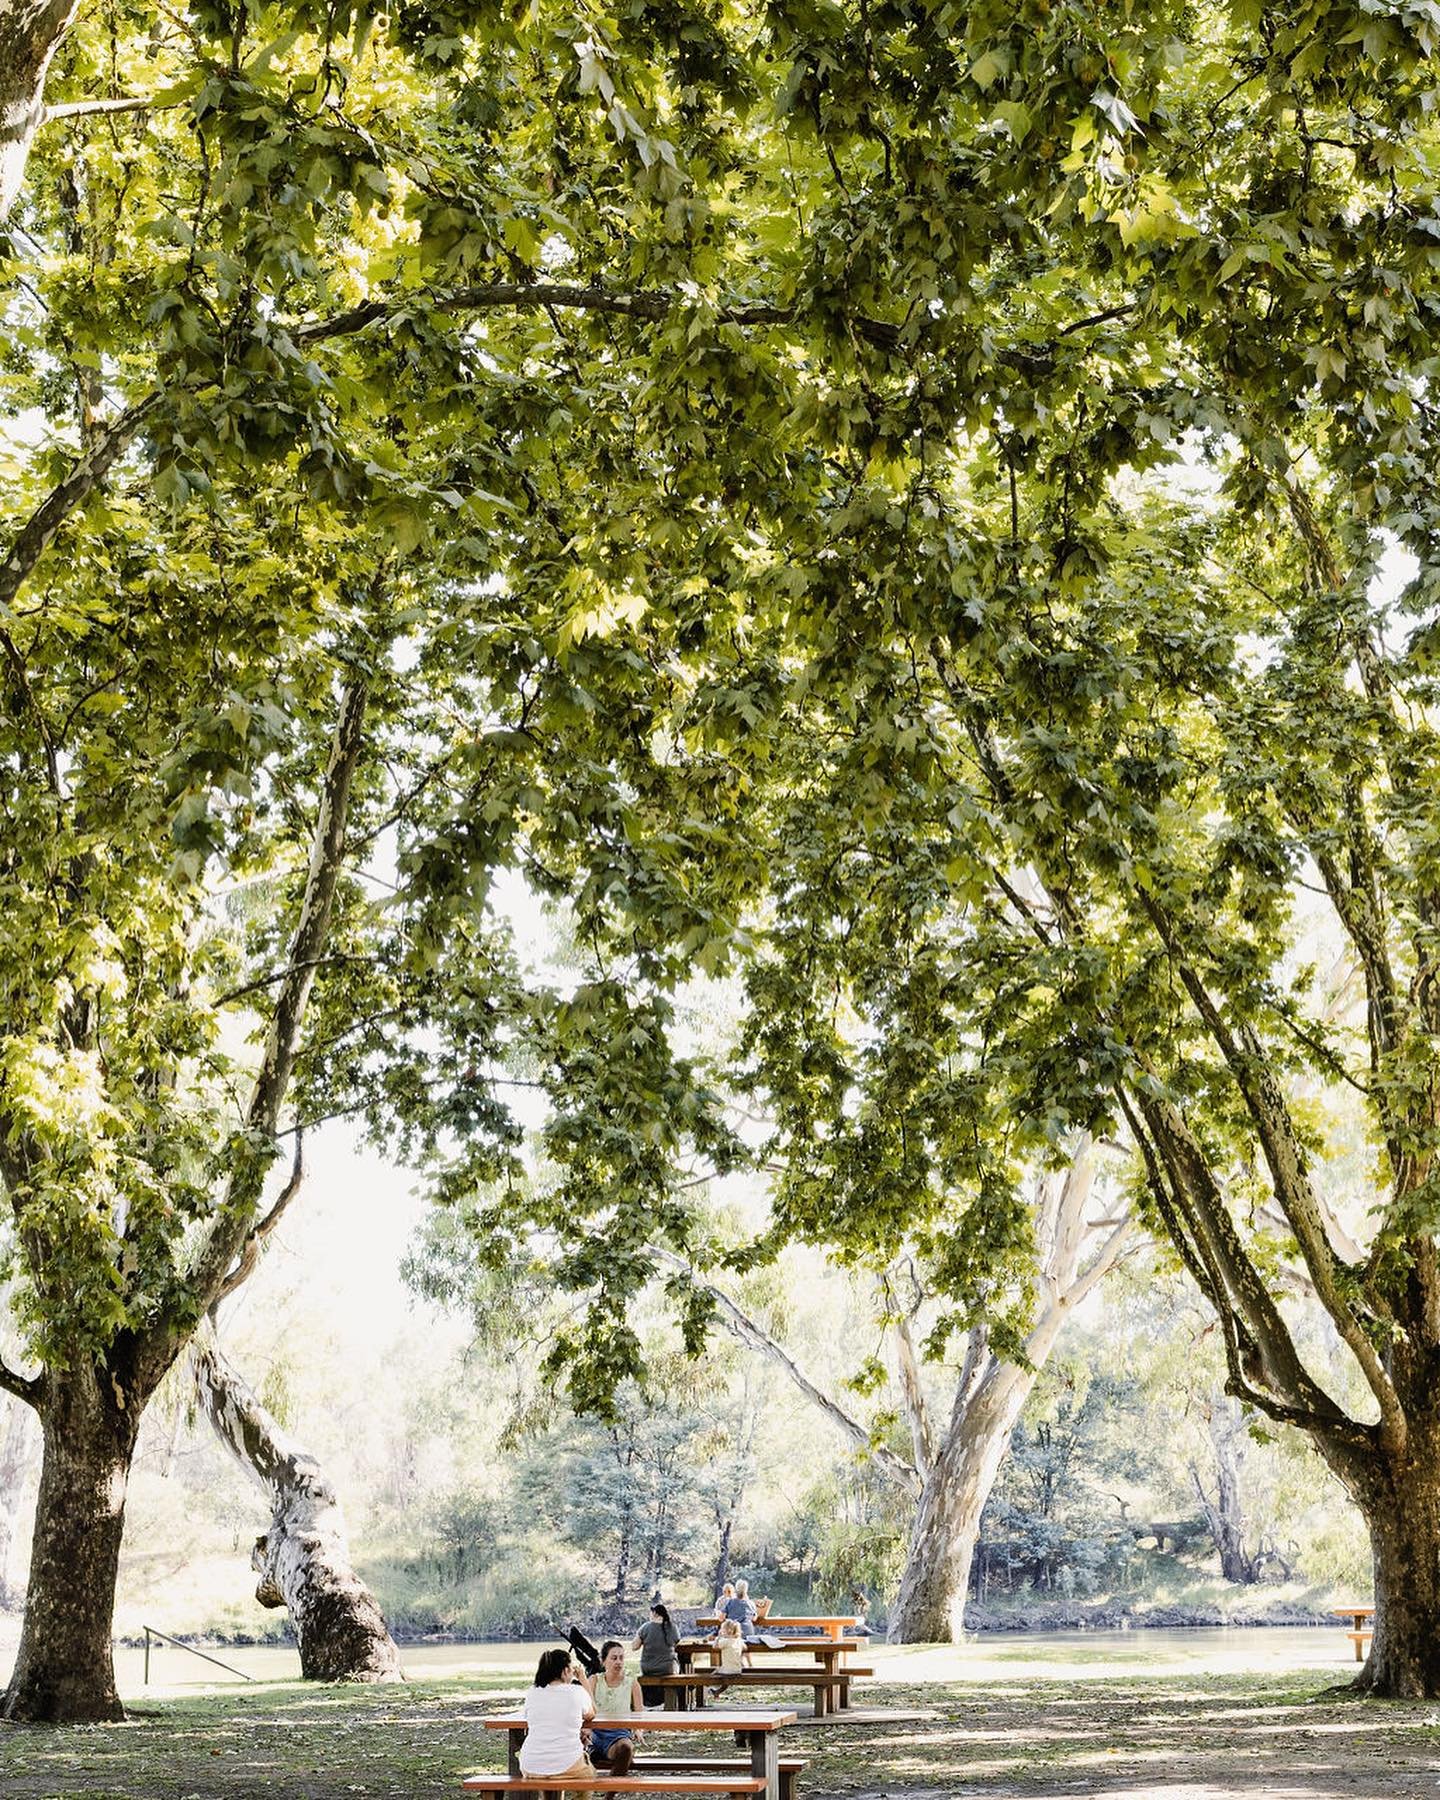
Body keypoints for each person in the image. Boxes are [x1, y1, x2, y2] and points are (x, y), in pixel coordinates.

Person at [520, 1648, 598, 1794]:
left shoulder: (532, 1692)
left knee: (549, 1776)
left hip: (530, 1765)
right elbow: (592, 1713)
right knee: (590, 1775)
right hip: (568, 1764)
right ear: (565, 1671)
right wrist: (583, 1680)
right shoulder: (576, 1692)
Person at [586, 1640, 643, 1771]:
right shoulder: (594, 1680)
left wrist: (638, 1730)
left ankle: (610, 1791)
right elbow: (585, 1709)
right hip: (595, 1733)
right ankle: (592, 1751)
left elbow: (640, 1714)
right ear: (604, 1661)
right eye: (614, 1658)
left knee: (626, 1748)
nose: (618, 1662)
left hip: (619, 1733)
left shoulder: (632, 1683)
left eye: (621, 1658)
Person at [631, 1600, 679, 1706]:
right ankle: (676, 1700)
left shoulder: (645, 1627)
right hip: (667, 1669)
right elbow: (675, 1643)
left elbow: (634, 1647)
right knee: (678, 1664)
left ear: (654, 1613)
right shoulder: (673, 1627)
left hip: (648, 1668)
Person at [707, 1616, 746, 1695]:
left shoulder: (725, 1641)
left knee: (716, 1672)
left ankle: (708, 1686)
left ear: (728, 1631)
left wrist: (718, 1638)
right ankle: (717, 1691)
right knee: (725, 1677)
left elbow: (714, 1647)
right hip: (738, 1670)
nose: (721, 1630)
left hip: (728, 1671)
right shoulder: (739, 1641)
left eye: (722, 1629)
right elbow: (745, 1647)